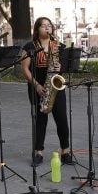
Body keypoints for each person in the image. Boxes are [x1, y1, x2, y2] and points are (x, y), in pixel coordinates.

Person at [21, 17, 72, 167]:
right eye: (43, 26)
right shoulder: (30, 47)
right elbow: (24, 69)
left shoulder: (59, 46)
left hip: (55, 87)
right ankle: (38, 152)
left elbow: (66, 66)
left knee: (61, 118)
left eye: (49, 26)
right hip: (37, 87)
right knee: (40, 120)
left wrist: (60, 68)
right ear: (37, 29)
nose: (47, 28)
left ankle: (65, 151)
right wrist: (36, 85)